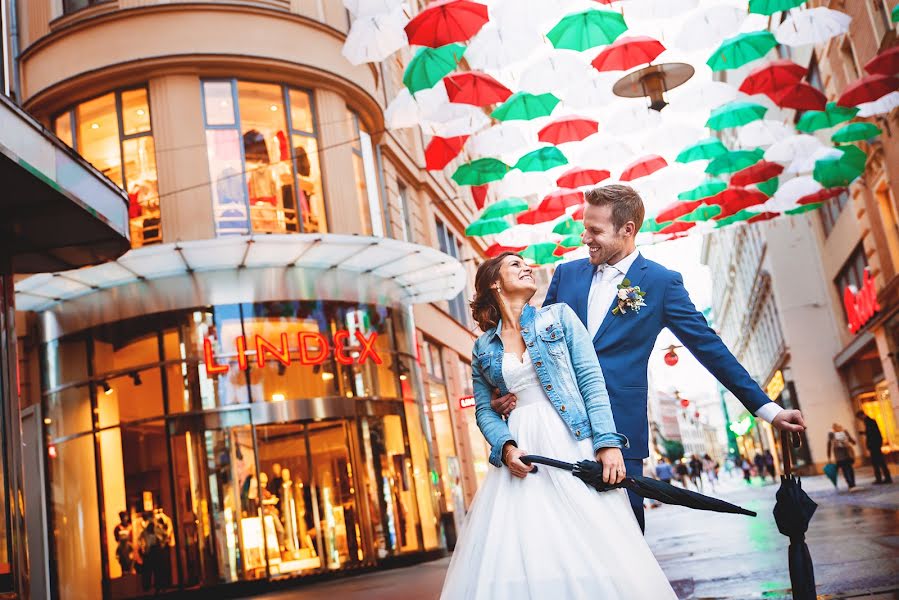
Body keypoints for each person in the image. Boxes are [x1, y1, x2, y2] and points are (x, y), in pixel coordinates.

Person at [491, 184, 806, 531]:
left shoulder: (661, 283)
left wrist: (769, 410)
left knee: (625, 536)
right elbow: (534, 343)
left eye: (595, 230)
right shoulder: (567, 275)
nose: (585, 238)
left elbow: (711, 350)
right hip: (556, 426)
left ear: (627, 230)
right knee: (563, 535)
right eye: (584, 227)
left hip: (620, 431)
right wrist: (508, 389)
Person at [440, 253, 676, 599]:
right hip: (523, 452)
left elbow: (591, 380)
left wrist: (608, 444)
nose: (526, 268)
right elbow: (483, 410)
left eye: (526, 264)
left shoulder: (559, 317)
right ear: (494, 282)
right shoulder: (482, 348)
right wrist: (505, 447)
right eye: (514, 265)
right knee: (531, 546)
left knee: (594, 540)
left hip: (570, 439)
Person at [856, 411, 893, 484]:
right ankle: (883, 478)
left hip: (874, 446)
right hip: (875, 445)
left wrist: (865, 434)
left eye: (859, 418)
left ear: (862, 415)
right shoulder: (869, 422)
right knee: (878, 463)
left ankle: (883, 478)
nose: (860, 420)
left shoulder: (869, 422)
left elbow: (873, 434)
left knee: (878, 463)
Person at [827, 423, 857, 490]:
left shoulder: (831, 434)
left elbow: (829, 445)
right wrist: (853, 442)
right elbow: (851, 440)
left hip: (840, 456)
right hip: (847, 454)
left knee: (845, 469)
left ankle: (850, 484)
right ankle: (852, 484)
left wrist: (829, 456)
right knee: (849, 468)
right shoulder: (844, 431)